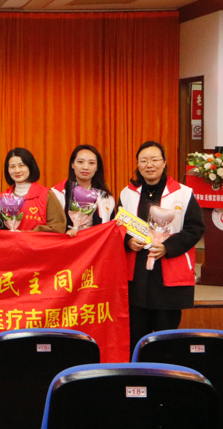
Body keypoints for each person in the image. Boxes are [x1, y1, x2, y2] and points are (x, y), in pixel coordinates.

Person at [120, 140, 204, 350]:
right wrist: (128, 241)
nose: (149, 165)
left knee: (166, 340)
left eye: (155, 159)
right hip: (137, 277)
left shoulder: (183, 193)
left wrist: (168, 247)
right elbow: (117, 227)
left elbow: (195, 228)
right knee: (135, 336)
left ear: (164, 162)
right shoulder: (127, 193)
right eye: (144, 160)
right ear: (138, 165)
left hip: (168, 275)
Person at [51, 144, 116, 236]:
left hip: (95, 244)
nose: (85, 167)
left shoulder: (106, 198)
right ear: (72, 164)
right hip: (66, 243)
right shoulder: (56, 194)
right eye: (80, 162)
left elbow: (110, 231)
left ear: (97, 167)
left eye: (91, 163)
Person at [0, 148, 66, 232]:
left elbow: (58, 227)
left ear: (30, 167)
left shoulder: (46, 195)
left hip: (36, 241)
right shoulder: (2, 197)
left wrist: (25, 234)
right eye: (12, 166)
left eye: (21, 165)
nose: (17, 170)